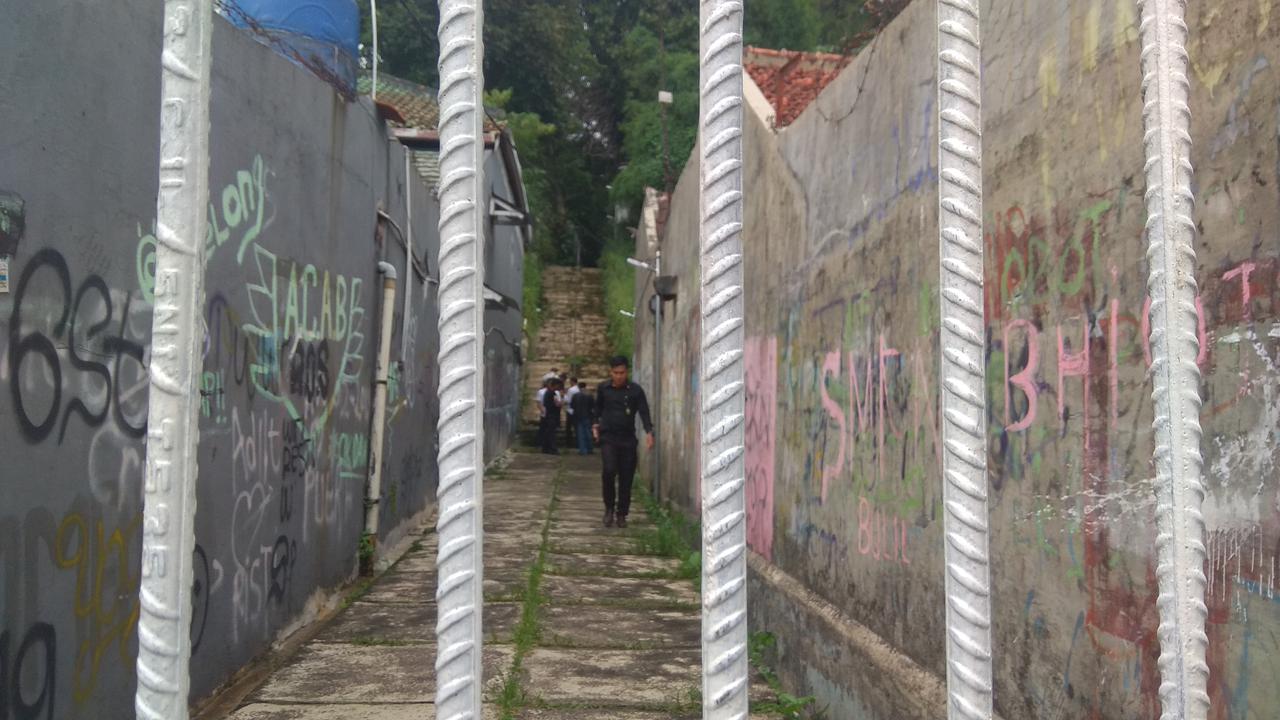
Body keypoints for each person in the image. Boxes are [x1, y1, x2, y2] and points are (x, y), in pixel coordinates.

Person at [592, 356, 654, 528]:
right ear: (610, 372)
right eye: (616, 373)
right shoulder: (603, 388)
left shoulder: (635, 391)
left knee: (626, 477)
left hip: (627, 439)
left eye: (622, 373)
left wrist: (649, 432)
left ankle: (621, 514)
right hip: (608, 438)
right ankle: (609, 509)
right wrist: (595, 424)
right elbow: (597, 408)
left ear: (627, 372)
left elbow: (644, 411)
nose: (619, 376)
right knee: (609, 471)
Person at [569, 380, 594, 455]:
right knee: (588, 433)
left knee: (581, 434)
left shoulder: (575, 395)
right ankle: (590, 448)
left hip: (578, 416)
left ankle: (583, 450)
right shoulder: (590, 395)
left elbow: (572, 406)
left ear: (578, 387)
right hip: (588, 416)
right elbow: (593, 406)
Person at [541, 378, 563, 454]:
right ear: (556, 385)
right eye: (558, 385)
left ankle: (546, 448)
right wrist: (560, 403)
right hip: (552, 415)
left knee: (548, 432)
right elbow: (557, 404)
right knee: (551, 433)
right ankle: (552, 449)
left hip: (549, 414)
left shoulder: (548, 392)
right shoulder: (552, 393)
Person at [564, 376, 581, 446]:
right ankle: (578, 441)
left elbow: (568, 400)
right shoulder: (578, 389)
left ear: (572, 381)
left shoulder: (571, 390)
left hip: (570, 410)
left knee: (569, 427)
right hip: (577, 410)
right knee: (577, 427)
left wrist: (564, 395)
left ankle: (569, 442)